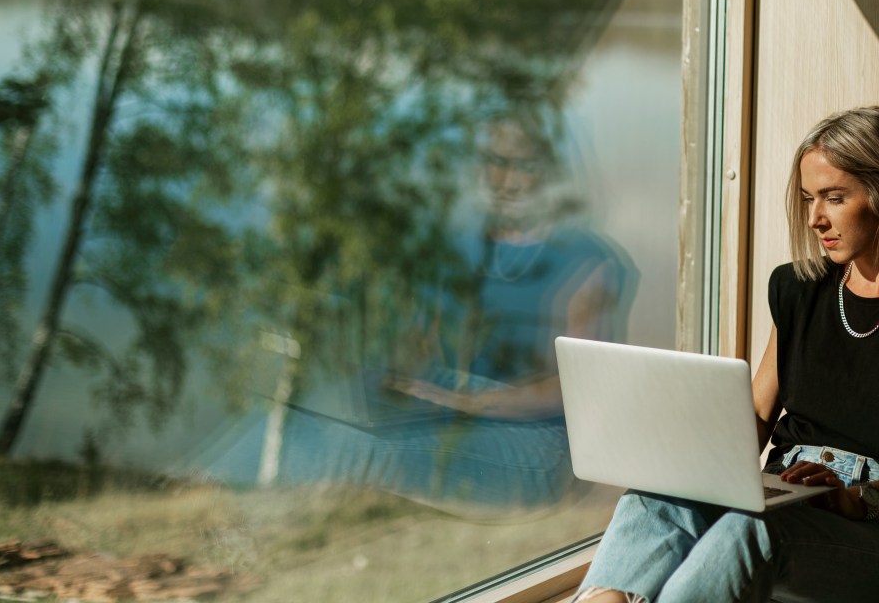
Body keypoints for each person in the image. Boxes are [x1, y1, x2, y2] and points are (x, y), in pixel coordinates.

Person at [573, 105, 879, 603]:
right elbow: (757, 412)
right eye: (808, 199)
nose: (815, 218)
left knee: (748, 530)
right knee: (651, 501)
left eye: (834, 198)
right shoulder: (800, 288)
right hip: (782, 486)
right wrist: (683, 464)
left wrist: (859, 499)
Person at [199, 101, 638, 520]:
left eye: (523, 164)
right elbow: (424, 343)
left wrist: (473, 402)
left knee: (365, 453)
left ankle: (242, 526)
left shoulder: (588, 261)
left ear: (555, 171)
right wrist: (377, 372)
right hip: (449, 405)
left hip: (536, 442)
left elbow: (576, 388)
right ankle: (201, 493)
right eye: (492, 160)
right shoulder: (460, 242)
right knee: (297, 420)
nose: (502, 178)